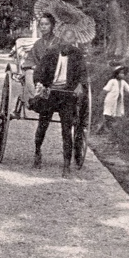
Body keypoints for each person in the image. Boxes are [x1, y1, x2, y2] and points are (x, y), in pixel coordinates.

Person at [31, 42, 88, 178]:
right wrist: (39, 83)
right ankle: (37, 152)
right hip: (50, 92)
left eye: (71, 41)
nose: (68, 45)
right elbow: (39, 71)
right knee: (42, 125)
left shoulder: (77, 55)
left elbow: (83, 74)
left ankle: (66, 165)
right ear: (61, 40)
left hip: (67, 95)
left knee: (67, 130)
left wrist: (80, 85)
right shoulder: (50, 52)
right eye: (65, 41)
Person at [21, 13, 59, 101]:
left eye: (46, 24)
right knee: (29, 72)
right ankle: (34, 97)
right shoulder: (38, 43)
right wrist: (32, 66)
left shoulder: (59, 42)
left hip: (54, 72)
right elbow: (30, 60)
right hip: (38, 73)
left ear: (52, 26)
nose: (43, 27)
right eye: (41, 24)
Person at [97, 65, 129, 133]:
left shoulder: (123, 82)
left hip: (118, 101)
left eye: (123, 73)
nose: (122, 75)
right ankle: (106, 128)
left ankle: (110, 128)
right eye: (120, 73)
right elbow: (105, 90)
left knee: (118, 114)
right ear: (116, 74)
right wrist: (100, 97)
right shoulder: (112, 81)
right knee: (108, 113)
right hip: (110, 100)